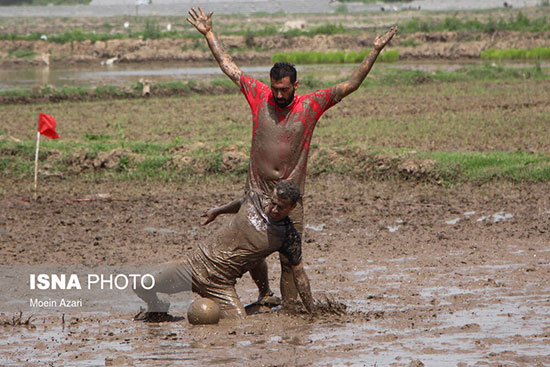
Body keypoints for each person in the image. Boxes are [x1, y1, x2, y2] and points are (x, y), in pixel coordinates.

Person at [187, 7, 397, 305]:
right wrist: (209, 34)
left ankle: (289, 308)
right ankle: (264, 294)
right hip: (257, 191)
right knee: (249, 248)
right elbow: (229, 66)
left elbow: (351, 85)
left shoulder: (311, 105)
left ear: (295, 86)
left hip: (290, 196)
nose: (279, 95)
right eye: (275, 89)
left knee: (290, 259)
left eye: (284, 90)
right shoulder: (259, 95)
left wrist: (374, 51)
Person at [134, 180, 315, 321]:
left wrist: (312, 312)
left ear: (293, 207)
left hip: (220, 285)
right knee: (140, 284)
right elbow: (239, 203)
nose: (274, 210)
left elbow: (299, 274)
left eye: (281, 208)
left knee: (236, 323)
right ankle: (157, 307)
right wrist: (217, 211)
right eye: (273, 203)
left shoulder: (288, 237)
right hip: (193, 264)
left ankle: (262, 301)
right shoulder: (254, 199)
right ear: (271, 196)